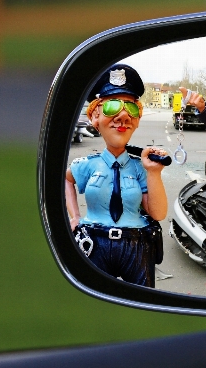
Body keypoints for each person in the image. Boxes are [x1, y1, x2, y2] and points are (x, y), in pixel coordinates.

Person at [65, 64, 168, 288]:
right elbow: (66, 179)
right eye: (112, 106)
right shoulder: (87, 165)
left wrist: (154, 172)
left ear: (138, 118)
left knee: (142, 300)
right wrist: (74, 217)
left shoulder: (141, 166)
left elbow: (158, 212)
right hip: (95, 243)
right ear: (94, 116)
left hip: (136, 245)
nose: (123, 116)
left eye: (131, 108)